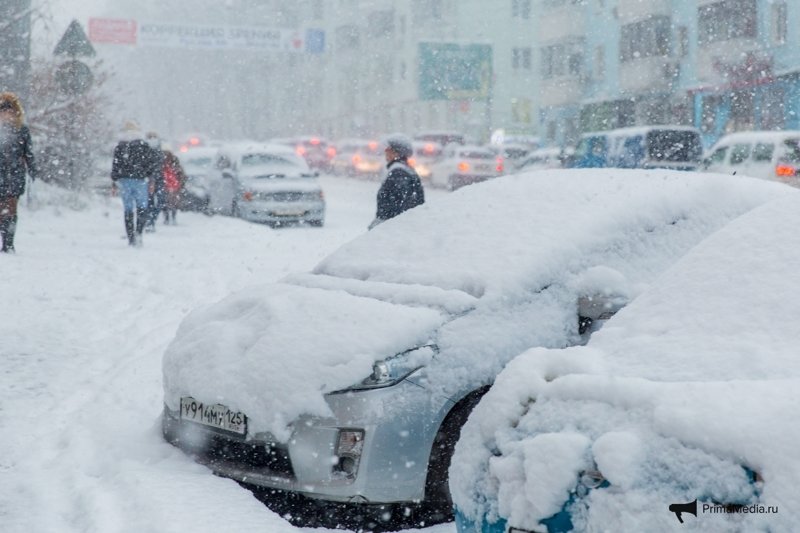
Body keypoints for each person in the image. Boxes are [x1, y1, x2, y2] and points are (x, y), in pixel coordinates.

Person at [111, 122, 160, 246]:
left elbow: (115, 165)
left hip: (124, 181)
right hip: (141, 180)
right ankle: (139, 233)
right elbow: (150, 164)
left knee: (128, 209)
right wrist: (151, 179)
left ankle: (131, 237)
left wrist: (114, 181)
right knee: (142, 207)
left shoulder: (120, 146)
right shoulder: (144, 145)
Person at [0, 92, 36, 253]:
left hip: (15, 173)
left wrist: (32, 168)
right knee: (2, 208)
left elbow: (28, 152)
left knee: (11, 207)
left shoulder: (22, 130)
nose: (6, 114)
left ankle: (8, 243)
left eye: (9, 111)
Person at [369, 134, 425, 230]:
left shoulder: (398, 173)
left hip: (394, 229)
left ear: (397, 153)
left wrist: (386, 227)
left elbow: (400, 204)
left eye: (389, 149)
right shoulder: (405, 170)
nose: (385, 151)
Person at [144, 131, 166, 232]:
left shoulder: (159, 149)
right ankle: (150, 221)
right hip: (149, 179)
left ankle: (151, 219)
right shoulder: (145, 149)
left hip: (158, 178)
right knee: (150, 201)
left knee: (160, 201)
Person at [161, 150, 187, 225]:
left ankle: (171, 218)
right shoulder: (164, 166)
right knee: (168, 203)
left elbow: (182, 176)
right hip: (168, 186)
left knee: (171, 203)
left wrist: (181, 184)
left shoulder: (174, 166)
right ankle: (168, 218)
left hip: (173, 186)